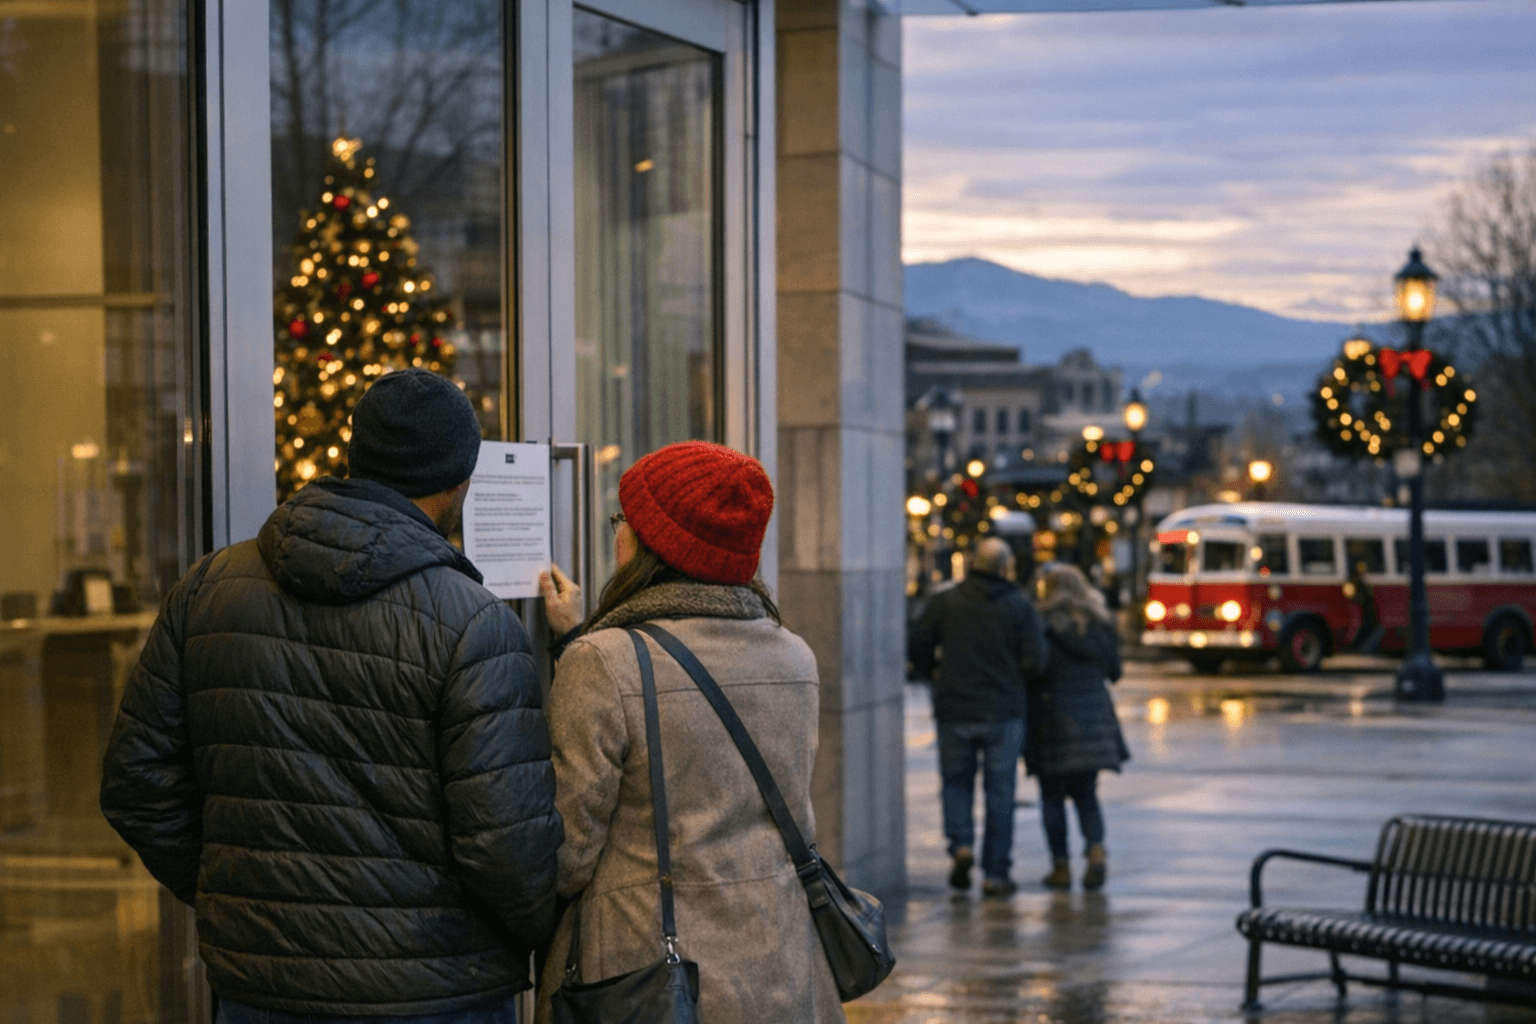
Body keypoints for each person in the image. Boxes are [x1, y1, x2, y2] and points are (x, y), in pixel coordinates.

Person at [100, 368, 562, 1023]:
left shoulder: (207, 587)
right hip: (433, 994)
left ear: (354, 457)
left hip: (260, 987)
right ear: (461, 479)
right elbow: (507, 852)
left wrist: (236, 895)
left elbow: (136, 782)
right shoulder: (476, 624)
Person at [535, 441, 844, 1023]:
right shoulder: (794, 657)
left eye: (623, 520)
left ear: (656, 543)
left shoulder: (604, 661)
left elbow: (568, 853)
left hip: (646, 977)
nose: (617, 534)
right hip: (777, 965)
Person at [908, 537, 1048, 897]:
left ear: (973, 564)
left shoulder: (946, 601)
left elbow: (918, 646)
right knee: (1001, 793)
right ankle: (995, 874)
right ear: (1005, 568)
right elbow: (1037, 661)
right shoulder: (1019, 605)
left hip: (954, 707)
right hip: (1003, 710)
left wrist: (935, 677)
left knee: (956, 782)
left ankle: (961, 845)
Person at [1025, 562, 1129, 891]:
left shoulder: (1041, 622)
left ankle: (1061, 867)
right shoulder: (1100, 621)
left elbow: (1034, 668)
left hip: (1052, 718)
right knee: (1087, 795)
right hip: (1094, 719)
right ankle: (1096, 852)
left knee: (1052, 798)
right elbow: (1114, 671)